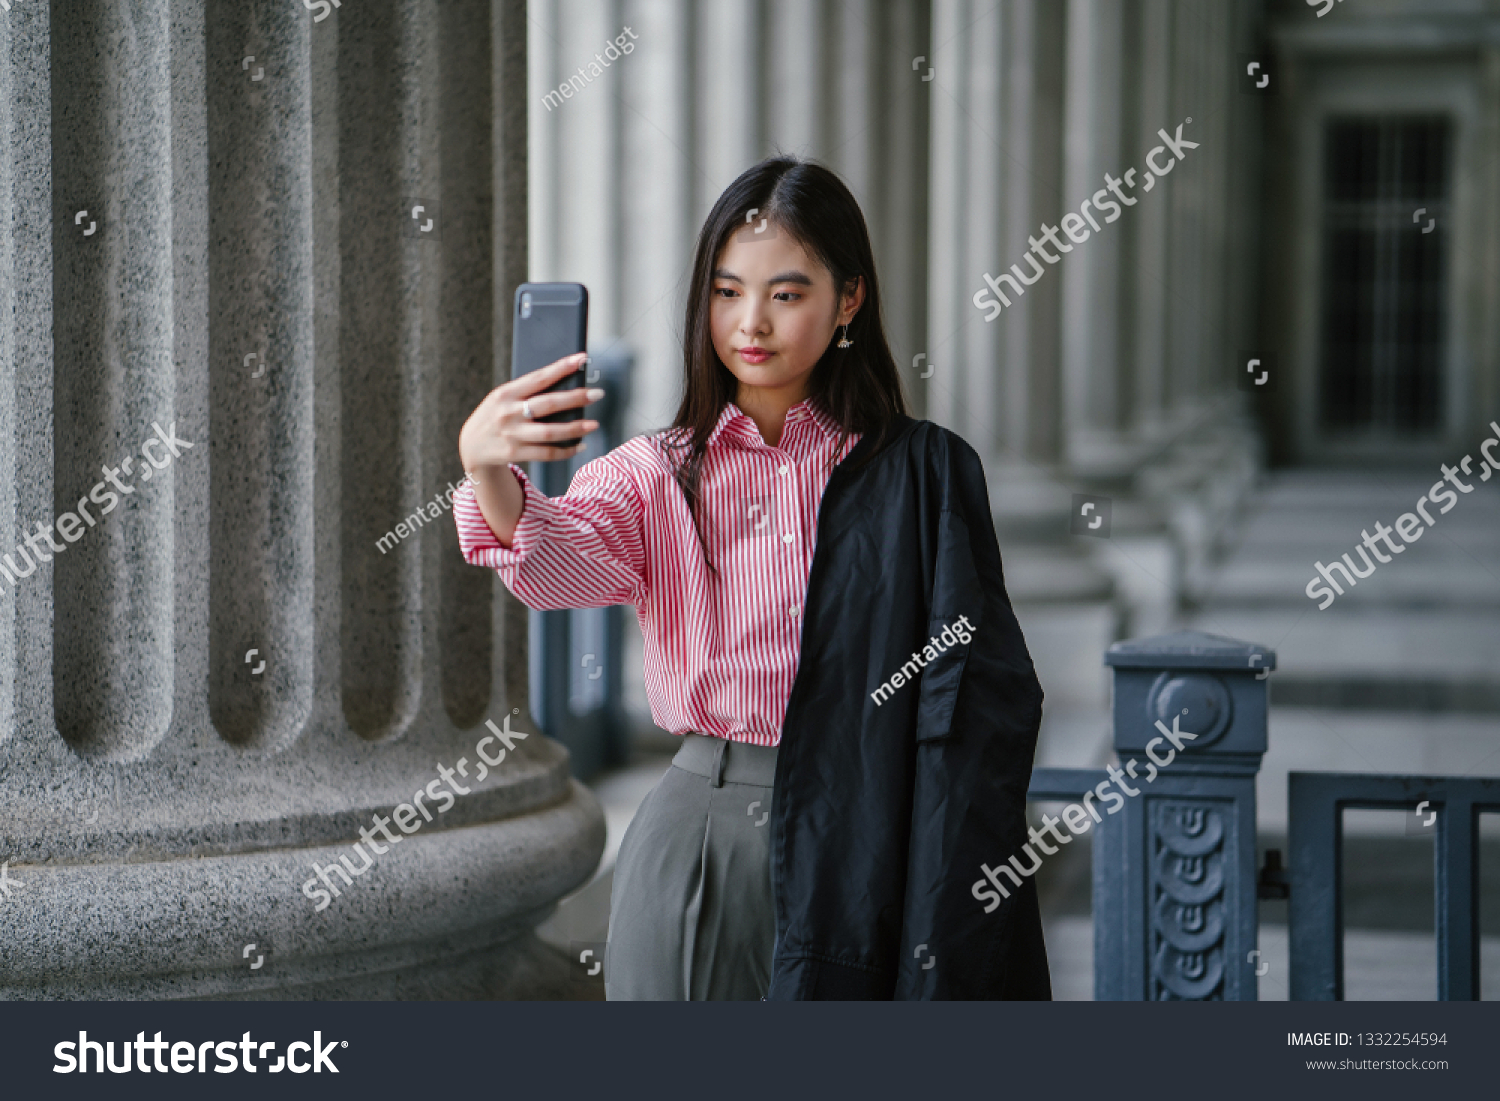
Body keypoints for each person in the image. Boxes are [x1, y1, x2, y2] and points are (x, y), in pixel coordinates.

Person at [455, 155, 1049, 1001]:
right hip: (703, 828)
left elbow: (979, 689)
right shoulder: (659, 471)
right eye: (727, 291)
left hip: (868, 833)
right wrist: (485, 469)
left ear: (849, 299)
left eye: (786, 292)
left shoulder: (916, 471)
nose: (750, 323)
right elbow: (553, 563)